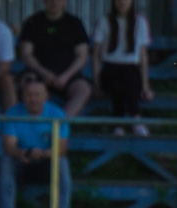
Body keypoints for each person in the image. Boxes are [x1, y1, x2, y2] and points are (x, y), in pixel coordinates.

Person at [0, 75, 72, 208]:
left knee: (62, 162)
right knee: (6, 162)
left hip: (47, 162)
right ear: (22, 97)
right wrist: (23, 153)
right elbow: (8, 146)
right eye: (29, 95)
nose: (33, 99)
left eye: (37, 95)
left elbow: (62, 148)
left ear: (46, 96)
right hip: (22, 160)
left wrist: (43, 154)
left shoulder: (57, 114)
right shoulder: (13, 113)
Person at [18, 0, 91, 118]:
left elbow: (82, 56)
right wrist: (44, 73)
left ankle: (60, 124)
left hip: (68, 76)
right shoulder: (33, 22)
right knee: (27, 84)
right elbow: (26, 54)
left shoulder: (75, 23)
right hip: (39, 74)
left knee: (83, 89)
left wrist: (66, 76)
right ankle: (35, 125)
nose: (54, 2)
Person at [92, 0, 154, 137]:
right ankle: (135, 118)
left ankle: (119, 123)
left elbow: (143, 57)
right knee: (120, 78)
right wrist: (97, 85)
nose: (122, 2)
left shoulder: (140, 22)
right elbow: (96, 56)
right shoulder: (104, 21)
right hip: (110, 69)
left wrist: (145, 86)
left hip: (131, 70)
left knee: (128, 76)